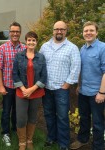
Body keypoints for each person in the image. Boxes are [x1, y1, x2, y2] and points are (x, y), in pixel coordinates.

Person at [40, 21, 81, 150]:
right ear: (53, 30)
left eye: (62, 29)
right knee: (48, 114)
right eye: (56, 29)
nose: (59, 31)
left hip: (61, 89)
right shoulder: (45, 46)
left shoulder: (72, 48)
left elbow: (76, 67)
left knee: (63, 116)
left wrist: (67, 84)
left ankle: (64, 144)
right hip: (46, 88)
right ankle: (51, 137)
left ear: (66, 31)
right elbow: (39, 64)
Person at [70, 21, 105, 150]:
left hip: (97, 93)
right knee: (84, 118)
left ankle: (98, 146)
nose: (88, 33)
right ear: (83, 33)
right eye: (86, 31)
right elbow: (81, 69)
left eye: (91, 30)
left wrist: (102, 92)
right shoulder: (82, 48)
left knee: (97, 122)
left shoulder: (102, 48)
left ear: (96, 32)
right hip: (84, 91)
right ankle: (83, 140)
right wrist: (79, 85)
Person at [12, 31, 47, 150]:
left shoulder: (41, 57)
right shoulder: (19, 56)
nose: (31, 42)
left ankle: (29, 139)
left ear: (36, 42)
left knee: (32, 117)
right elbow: (15, 74)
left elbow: (44, 76)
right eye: (29, 40)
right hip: (21, 92)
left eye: (33, 40)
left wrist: (31, 89)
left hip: (36, 92)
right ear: (25, 42)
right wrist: (23, 89)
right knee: (21, 118)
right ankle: (22, 141)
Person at [0, 22, 26, 147]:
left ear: (20, 33)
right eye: (12, 31)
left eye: (17, 31)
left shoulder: (24, 48)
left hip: (21, 87)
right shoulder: (2, 48)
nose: (15, 33)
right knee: (6, 110)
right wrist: (1, 86)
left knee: (17, 111)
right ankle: (5, 133)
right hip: (8, 86)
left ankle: (15, 129)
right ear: (9, 33)